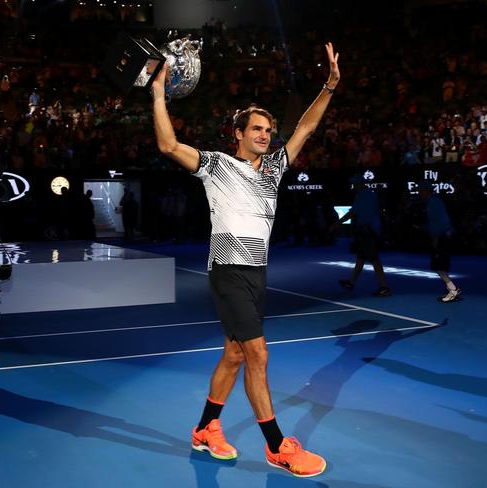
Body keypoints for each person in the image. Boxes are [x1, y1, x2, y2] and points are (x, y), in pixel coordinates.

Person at [151, 42, 340, 478]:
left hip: (257, 274)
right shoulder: (215, 165)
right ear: (237, 133)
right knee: (258, 354)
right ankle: (277, 446)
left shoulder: (273, 170)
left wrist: (329, 86)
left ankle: (204, 428)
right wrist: (159, 93)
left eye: (268, 131)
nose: (264, 135)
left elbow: (306, 128)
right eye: (256, 129)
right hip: (228, 271)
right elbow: (166, 145)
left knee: (235, 356)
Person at [333, 174, 391, 297]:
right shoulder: (364, 195)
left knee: (374, 259)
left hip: (368, 232)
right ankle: (351, 282)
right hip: (366, 232)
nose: (353, 186)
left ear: (359, 184)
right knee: (360, 258)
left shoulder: (365, 196)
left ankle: (384, 287)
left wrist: (338, 223)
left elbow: (353, 213)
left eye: (354, 183)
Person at [417, 181, 461, 302]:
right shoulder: (433, 202)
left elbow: (440, 223)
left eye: (421, 190)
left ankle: (453, 290)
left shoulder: (433, 203)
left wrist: (435, 239)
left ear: (426, 191)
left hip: (443, 237)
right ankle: (451, 288)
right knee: (439, 265)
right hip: (443, 236)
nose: (419, 193)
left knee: (438, 266)